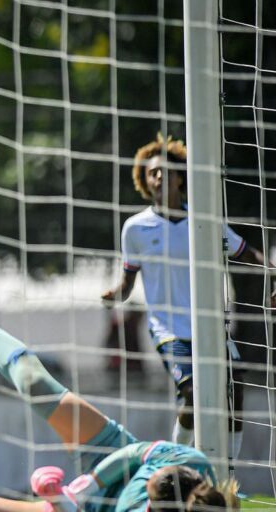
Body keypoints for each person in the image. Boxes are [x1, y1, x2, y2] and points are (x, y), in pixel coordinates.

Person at [0, 293, 239, 511]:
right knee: (36, 383)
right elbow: (136, 456)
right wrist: (86, 485)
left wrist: (65, 501)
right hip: (113, 457)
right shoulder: (191, 461)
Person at [101, 134, 274, 459]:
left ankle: (227, 473)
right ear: (145, 181)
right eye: (151, 173)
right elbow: (127, 282)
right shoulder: (136, 228)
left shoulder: (205, 221)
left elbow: (242, 251)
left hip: (210, 327)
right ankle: (175, 462)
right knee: (193, 394)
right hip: (169, 329)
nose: (157, 178)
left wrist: (273, 270)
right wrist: (114, 294)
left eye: (164, 171)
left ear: (180, 177)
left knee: (234, 392)